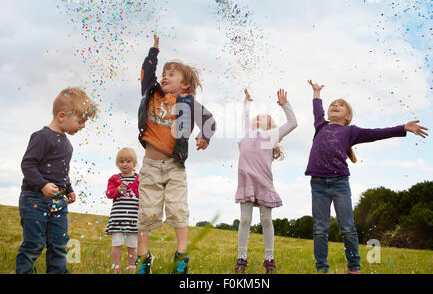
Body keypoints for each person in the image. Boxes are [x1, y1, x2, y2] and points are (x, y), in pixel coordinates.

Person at [305, 80, 429, 274]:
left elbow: (376, 133)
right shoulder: (321, 126)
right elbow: (317, 109)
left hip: (339, 184)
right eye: (333, 104)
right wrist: (316, 92)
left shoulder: (351, 131)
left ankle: (354, 268)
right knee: (320, 229)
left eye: (341, 104)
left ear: (347, 116)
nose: (335, 106)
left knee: (347, 227)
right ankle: (321, 269)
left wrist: (402, 127)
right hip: (318, 184)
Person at [135, 34, 216, 274]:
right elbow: (147, 73)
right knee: (147, 212)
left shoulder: (188, 102)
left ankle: (181, 255)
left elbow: (209, 121)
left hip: (175, 166)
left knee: (178, 210)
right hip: (150, 165)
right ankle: (143, 259)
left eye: (171, 74)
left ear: (185, 85)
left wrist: (205, 137)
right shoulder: (152, 92)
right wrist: (154, 52)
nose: (164, 77)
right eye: (164, 74)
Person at [16, 86, 97, 274]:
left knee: (59, 244)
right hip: (35, 200)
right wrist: (42, 185)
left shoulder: (67, 145)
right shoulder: (42, 137)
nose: (83, 126)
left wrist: (68, 188)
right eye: (80, 121)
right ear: (62, 115)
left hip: (59, 201)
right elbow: (27, 165)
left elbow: (62, 172)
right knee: (34, 244)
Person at [234, 88, 298, 274]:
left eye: (263, 117)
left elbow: (293, 123)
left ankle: (269, 259)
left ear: (270, 126)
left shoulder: (270, 136)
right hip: (246, 183)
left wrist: (285, 105)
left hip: (264, 184)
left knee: (266, 220)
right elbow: (244, 118)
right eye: (257, 116)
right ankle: (241, 258)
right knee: (245, 220)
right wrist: (247, 102)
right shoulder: (245, 134)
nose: (257, 118)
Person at [106, 147, 140, 274]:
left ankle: (132, 268)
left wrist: (142, 201)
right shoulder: (114, 179)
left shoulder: (139, 179)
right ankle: (115, 268)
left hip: (133, 219)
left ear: (134, 163)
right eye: (121, 161)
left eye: (128, 161)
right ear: (117, 163)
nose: (125, 164)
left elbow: (145, 194)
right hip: (118, 219)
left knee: (132, 246)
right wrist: (117, 191)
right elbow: (109, 193)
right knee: (117, 244)